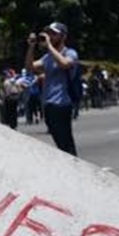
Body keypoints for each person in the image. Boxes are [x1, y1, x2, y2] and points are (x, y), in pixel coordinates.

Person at [24, 21, 79, 155]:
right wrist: (31, 47)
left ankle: (74, 167)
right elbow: (29, 68)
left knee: (65, 143)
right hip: (48, 104)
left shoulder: (70, 53)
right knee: (60, 144)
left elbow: (65, 64)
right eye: (49, 33)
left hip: (62, 103)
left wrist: (48, 45)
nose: (50, 36)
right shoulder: (48, 57)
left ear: (63, 36)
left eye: (54, 34)